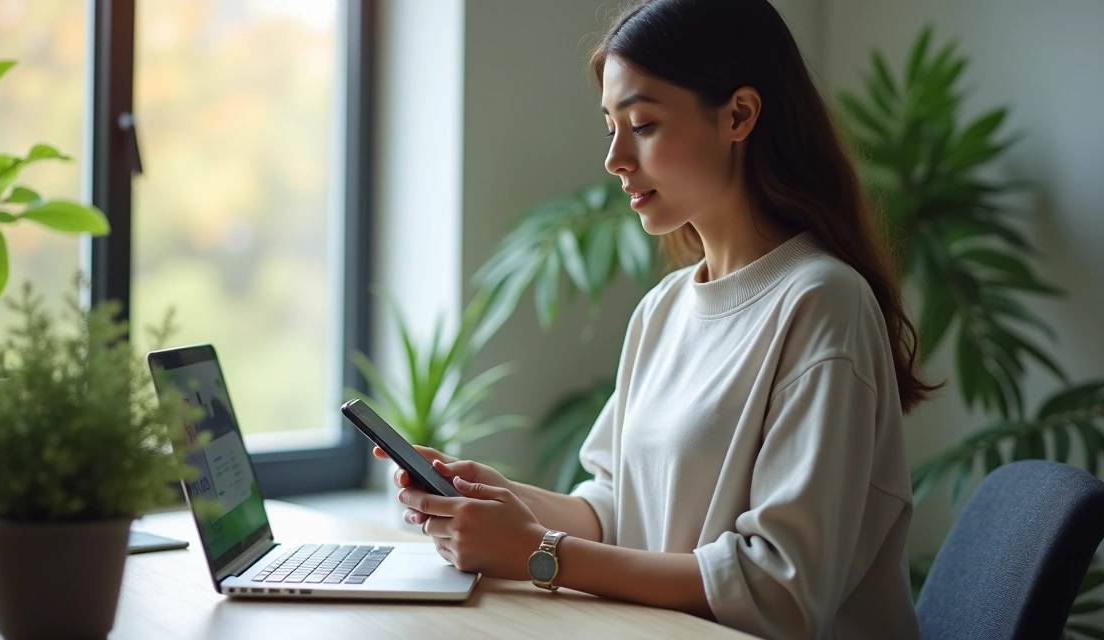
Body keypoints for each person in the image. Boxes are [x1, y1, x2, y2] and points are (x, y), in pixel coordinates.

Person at [373, 0, 941, 637]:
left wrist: (539, 556)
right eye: (609, 128)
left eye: (641, 124)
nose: (615, 159)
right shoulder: (662, 310)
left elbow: (781, 590)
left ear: (739, 115)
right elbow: (617, 509)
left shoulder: (822, 303)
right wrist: (498, 498)